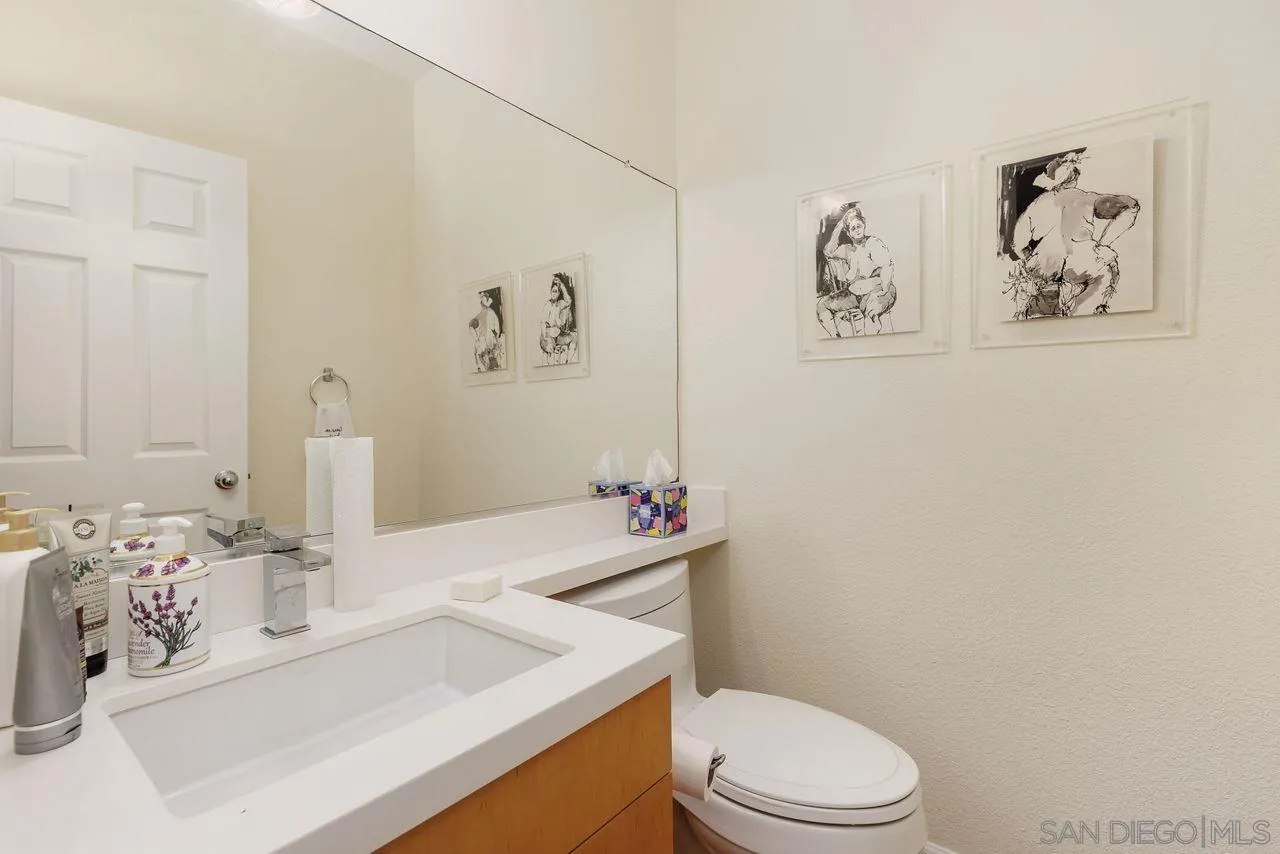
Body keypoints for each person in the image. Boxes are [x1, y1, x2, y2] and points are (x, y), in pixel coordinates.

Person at [1008, 151, 1140, 318]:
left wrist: (1028, 256)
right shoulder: (1084, 198)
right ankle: (1080, 314)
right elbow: (1131, 205)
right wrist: (1104, 243)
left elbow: (1018, 239)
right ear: (1073, 177)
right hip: (1078, 260)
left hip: (1044, 264)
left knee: (1039, 308)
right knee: (1103, 276)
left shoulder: (1040, 202)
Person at [816, 204, 896, 337]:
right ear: (848, 232)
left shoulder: (873, 243)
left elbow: (888, 266)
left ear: (864, 225)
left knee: (870, 317)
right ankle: (837, 339)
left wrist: (884, 289)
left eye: (858, 226)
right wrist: (840, 225)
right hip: (854, 296)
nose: (857, 230)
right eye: (852, 228)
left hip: (878, 291)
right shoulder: (847, 249)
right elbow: (827, 252)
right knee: (821, 306)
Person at [539, 274, 577, 364]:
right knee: (551, 356)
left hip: (557, 334)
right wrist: (545, 338)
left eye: (556, 291)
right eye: (552, 291)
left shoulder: (560, 304)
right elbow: (543, 323)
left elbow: (569, 301)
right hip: (548, 335)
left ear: (559, 293)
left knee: (571, 341)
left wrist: (562, 286)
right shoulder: (548, 305)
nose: (553, 293)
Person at [471, 290, 502, 371]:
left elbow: (496, 328)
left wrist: (496, 335)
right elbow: (473, 325)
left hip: (488, 338)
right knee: (485, 354)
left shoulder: (488, 313)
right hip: (485, 338)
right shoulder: (483, 314)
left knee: (489, 354)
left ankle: (491, 366)